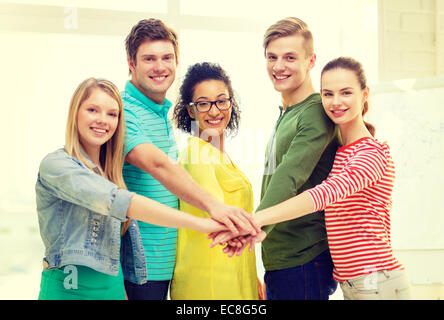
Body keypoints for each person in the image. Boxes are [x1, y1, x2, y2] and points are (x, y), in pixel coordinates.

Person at [211, 57, 412, 300]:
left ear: (365, 94)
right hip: (354, 283)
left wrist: (256, 220)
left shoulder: (371, 153)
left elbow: (321, 195)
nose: (336, 102)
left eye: (346, 93)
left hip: (377, 280)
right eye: (327, 94)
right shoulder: (339, 151)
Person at [36, 78, 228, 300]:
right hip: (68, 290)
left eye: (112, 114)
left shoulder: (113, 173)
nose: (102, 120)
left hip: (114, 290)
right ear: (75, 113)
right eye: (92, 110)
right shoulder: (57, 165)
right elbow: (121, 201)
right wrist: (204, 223)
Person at [121, 18, 259, 300]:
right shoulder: (124, 110)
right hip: (140, 267)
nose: (160, 66)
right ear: (131, 63)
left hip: (166, 266)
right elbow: (156, 165)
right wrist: (216, 208)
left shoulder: (161, 118)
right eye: (149, 58)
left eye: (167, 57)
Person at [245, 17, 340, 300]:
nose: (278, 66)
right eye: (272, 57)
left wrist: (253, 225)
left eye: (289, 57)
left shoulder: (314, 113)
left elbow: (289, 177)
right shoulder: (287, 112)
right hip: (282, 260)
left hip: (303, 261)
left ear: (311, 61)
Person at [169, 62, 259, 300]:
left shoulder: (221, 155)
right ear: (190, 110)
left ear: (231, 103)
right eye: (203, 103)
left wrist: (253, 275)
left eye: (221, 100)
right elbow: (223, 218)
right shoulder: (196, 153)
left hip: (234, 271)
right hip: (208, 281)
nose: (215, 111)